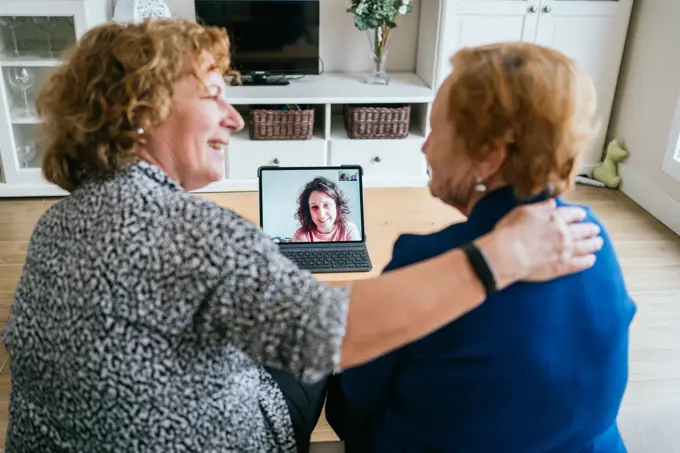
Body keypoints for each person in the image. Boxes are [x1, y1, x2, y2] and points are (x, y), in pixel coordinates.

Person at [2, 20, 603, 453]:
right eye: (214, 94)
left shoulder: (56, 222)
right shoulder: (199, 234)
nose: (235, 117)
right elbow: (327, 335)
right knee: (313, 362)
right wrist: (499, 255)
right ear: (139, 109)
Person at [325, 42, 637, 453]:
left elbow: (360, 392)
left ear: (489, 153)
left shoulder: (429, 261)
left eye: (435, 129)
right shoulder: (590, 235)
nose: (424, 145)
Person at [292, 176, 361, 242]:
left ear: (337, 206)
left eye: (326, 205)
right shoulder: (300, 235)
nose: (321, 215)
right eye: (314, 207)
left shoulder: (349, 230)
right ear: (308, 211)